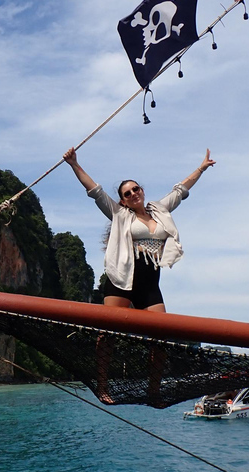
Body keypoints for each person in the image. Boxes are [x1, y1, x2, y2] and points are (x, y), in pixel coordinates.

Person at [63, 146, 215, 403]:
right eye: (127, 193)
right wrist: (74, 164)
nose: (133, 194)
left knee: (160, 338)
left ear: (142, 191)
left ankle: (153, 390)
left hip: (149, 283)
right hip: (121, 280)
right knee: (107, 334)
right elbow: (95, 191)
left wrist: (200, 168)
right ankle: (102, 386)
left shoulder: (159, 210)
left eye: (136, 189)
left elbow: (180, 191)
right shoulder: (120, 214)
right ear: (122, 200)